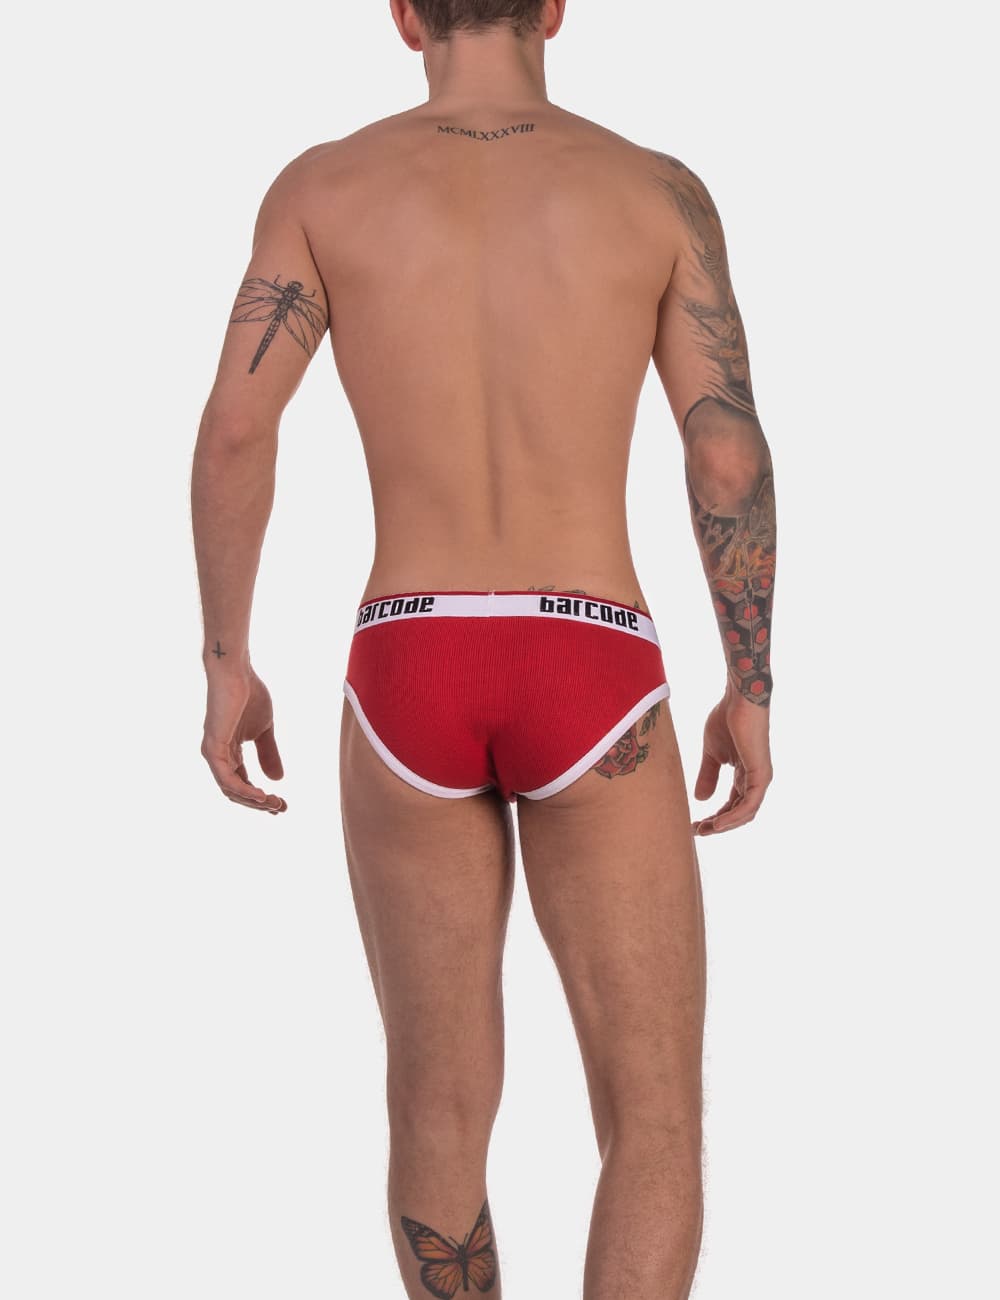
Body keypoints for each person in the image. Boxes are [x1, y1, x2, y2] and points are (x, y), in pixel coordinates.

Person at [190, 1, 776, 1295]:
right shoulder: (652, 191)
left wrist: (228, 660)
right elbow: (725, 449)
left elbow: (236, 429)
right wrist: (751, 683)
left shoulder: (324, 188)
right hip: (591, 659)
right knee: (653, 1117)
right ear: (554, 7)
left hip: (409, 659)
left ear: (405, 15)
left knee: (437, 1108)